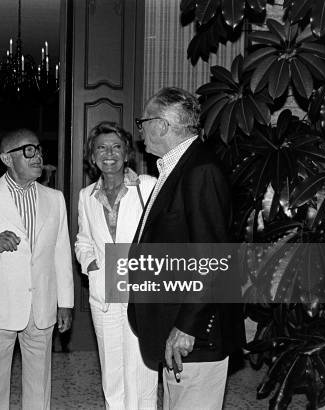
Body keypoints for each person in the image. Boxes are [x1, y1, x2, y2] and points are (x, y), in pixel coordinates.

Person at [128, 87, 244, 409]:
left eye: (144, 122)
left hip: (195, 334)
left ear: (162, 125)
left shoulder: (200, 170)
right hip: (174, 327)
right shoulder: (176, 167)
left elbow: (213, 257)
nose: (141, 130)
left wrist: (186, 327)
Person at [0, 129, 74, 410]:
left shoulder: (54, 198)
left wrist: (65, 302)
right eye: (28, 150)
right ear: (7, 159)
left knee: (39, 383)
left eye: (39, 149)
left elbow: (61, 253)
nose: (38, 156)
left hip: (42, 305)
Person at [75, 121, 158, 409]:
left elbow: (161, 235)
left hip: (139, 285)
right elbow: (83, 241)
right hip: (103, 290)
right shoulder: (86, 196)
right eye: (101, 148)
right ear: (92, 156)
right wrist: (92, 265)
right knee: (111, 371)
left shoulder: (147, 188)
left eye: (116, 147)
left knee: (140, 369)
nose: (108, 154)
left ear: (126, 154)